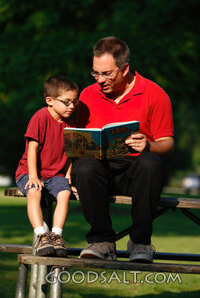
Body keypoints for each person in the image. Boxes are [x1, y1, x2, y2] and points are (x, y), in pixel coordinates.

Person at [71, 36, 174, 263]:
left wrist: (149, 145)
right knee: (85, 166)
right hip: (100, 172)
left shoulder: (155, 94)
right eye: (95, 73)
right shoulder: (87, 95)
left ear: (125, 68)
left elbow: (167, 142)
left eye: (107, 73)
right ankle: (102, 241)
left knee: (151, 162)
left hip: (137, 173)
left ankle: (140, 243)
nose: (100, 80)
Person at [16, 75, 79, 257]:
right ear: (49, 100)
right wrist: (34, 176)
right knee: (34, 191)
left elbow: (70, 154)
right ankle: (41, 236)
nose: (71, 107)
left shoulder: (71, 125)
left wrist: (67, 177)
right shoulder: (40, 117)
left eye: (74, 102)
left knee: (65, 193)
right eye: (66, 102)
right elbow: (32, 149)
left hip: (56, 176)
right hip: (30, 171)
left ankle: (56, 236)